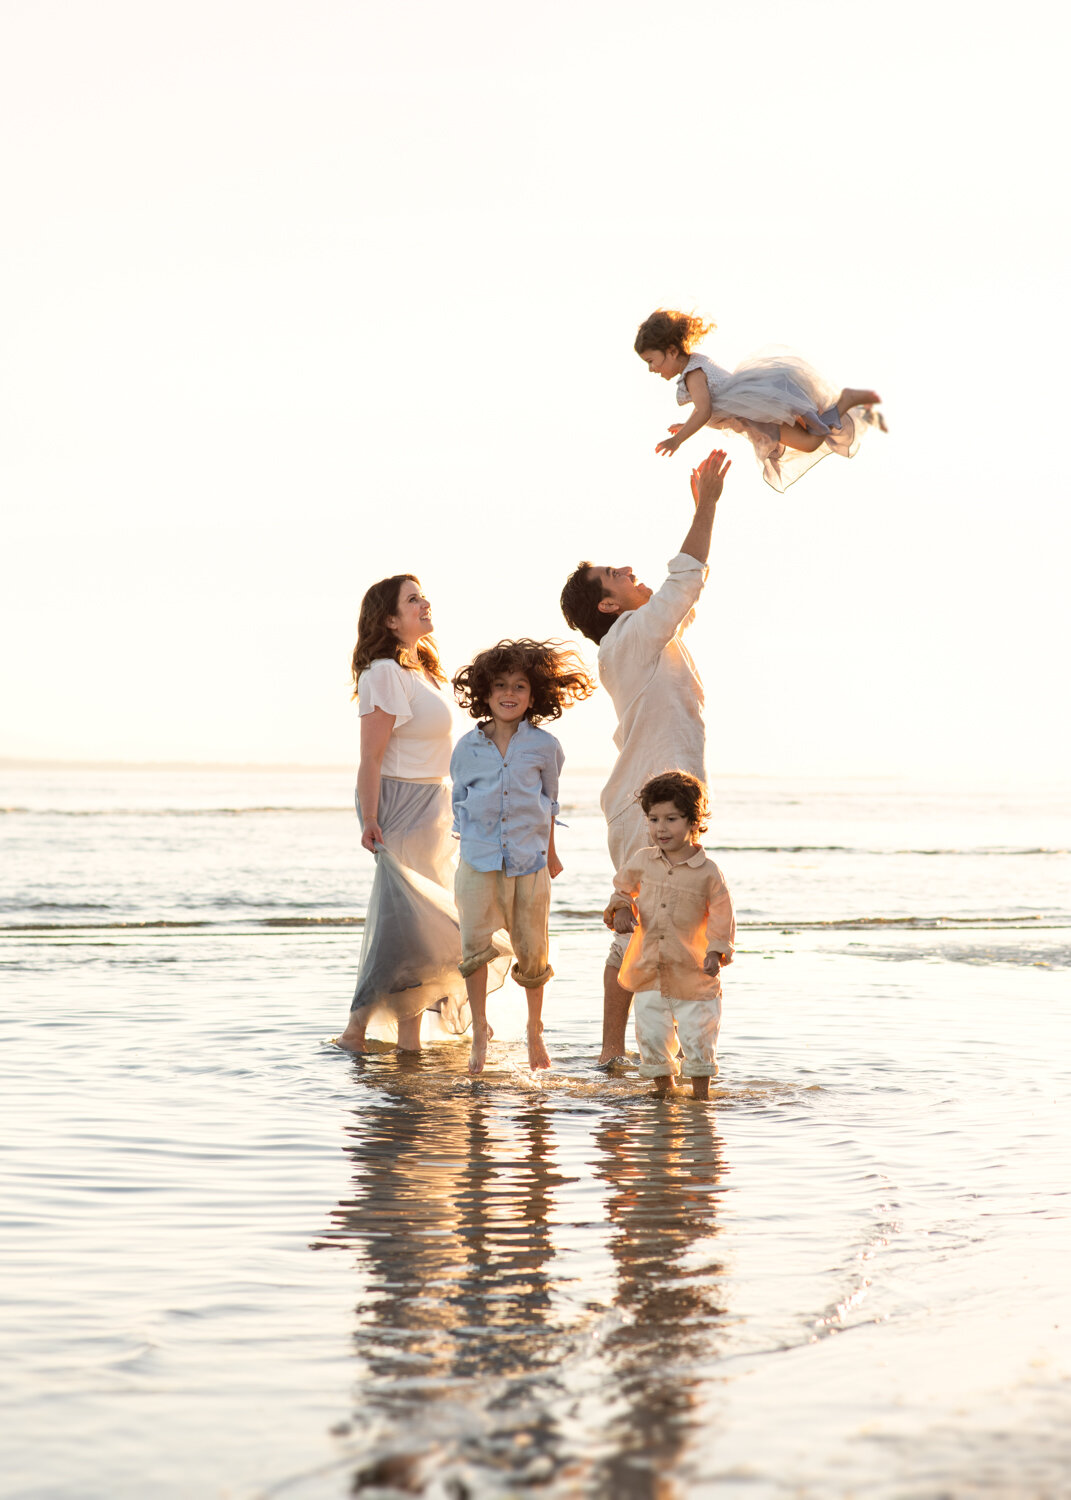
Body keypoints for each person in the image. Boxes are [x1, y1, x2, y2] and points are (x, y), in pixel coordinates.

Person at [560, 448, 730, 1067]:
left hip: (668, 806)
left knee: (676, 930)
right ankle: (612, 1053)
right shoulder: (629, 639)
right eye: (615, 574)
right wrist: (706, 505)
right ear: (608, 606)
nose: (629, 569)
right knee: (634, 929)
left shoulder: (647, 640)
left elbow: (682, 599)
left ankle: (664, 1050)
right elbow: (684, 580)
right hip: (643, 812)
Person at [450, 639, 596, 1076]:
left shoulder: (546, 747)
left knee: (533, 953)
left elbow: (550, 802)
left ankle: (534, 1029)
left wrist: (551, 854)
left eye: (519, 686)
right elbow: (459, 802)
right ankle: (479, 1031)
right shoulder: (466, 748)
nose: (509, 693)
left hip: (530, 863)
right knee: (474, 950)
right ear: (485, 693)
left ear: (535, 696)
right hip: (478, 861)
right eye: (499, 685)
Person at [336, 573, 463, 1054]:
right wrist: (371, 819)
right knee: (405, 923)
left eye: (423, 595)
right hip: (399, 803)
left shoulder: (422, 671)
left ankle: (409, 1041)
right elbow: (371, 757)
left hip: (433, 805)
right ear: (390, 620)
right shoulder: (383, 673)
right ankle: (356, 1029)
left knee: (422, 925)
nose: (424, 603)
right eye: (413, 600)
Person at [635, 307, 885, 492]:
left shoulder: (692, 375)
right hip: (757, 408)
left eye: (651, 361)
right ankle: (845, 403)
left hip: (757, 411)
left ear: (671, 351)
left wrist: (678, 439)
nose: (651, 369)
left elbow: (704, 410)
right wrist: (685, 425)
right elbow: (705, 408)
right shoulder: (695, 365)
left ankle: (846, 401)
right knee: (811, 434)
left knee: (809, 442)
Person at [603, 771, 735, 1100]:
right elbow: (622, 889)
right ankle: (664, 1093)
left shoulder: (708, 872)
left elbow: (722, 913)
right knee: (651, 1035)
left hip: (694, 973)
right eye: (653, 819)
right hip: (649, 970)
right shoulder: (642, 861)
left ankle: (701, 1096)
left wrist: (716, 952)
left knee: (698, 1037)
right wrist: (621, 909)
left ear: (693, 821)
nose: (660, 828)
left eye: (671, 819)